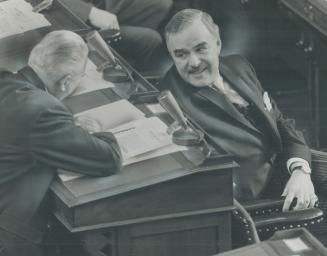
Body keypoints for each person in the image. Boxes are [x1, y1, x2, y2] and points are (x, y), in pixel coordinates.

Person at [160, 9, 317, 211]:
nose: (194, 63)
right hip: (257, 203)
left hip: (292, 171)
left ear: (217, 43)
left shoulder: (239, 65)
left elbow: (281, 123)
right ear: (171, 55)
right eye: (181, 54)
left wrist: (300, 171)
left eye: (200, 49)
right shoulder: (171, 100)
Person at [0, 30, 121, 255]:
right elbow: (108, 159)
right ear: (66, 82)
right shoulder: (43, 110)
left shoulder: (5, 80)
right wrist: (95, 129)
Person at [61, 0, 173, 70]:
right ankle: (135, 78)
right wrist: (90, 11)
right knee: (151, 39)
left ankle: (127, 57)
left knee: (162, 4)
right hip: (70, 20)